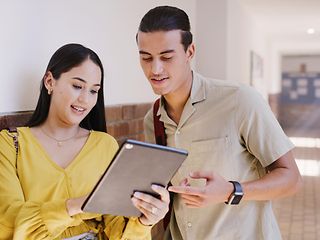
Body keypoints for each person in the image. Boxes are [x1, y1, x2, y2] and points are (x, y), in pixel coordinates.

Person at [136, 6, 302, 240]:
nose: (155, 69)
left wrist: (231, 191)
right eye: (146, 58)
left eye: (166, 57)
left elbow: (291, 178)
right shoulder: (152, 119)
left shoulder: (239, 100)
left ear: (190, 52)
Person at [0, 43, 170, 240]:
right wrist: (77, 205)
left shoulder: (104, 145)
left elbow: (117, 227)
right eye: (77, 86)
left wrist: (143, 221)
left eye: (93, 91)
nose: (85, 99)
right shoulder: (11, 144)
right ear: (49, 81)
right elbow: (8, 223)